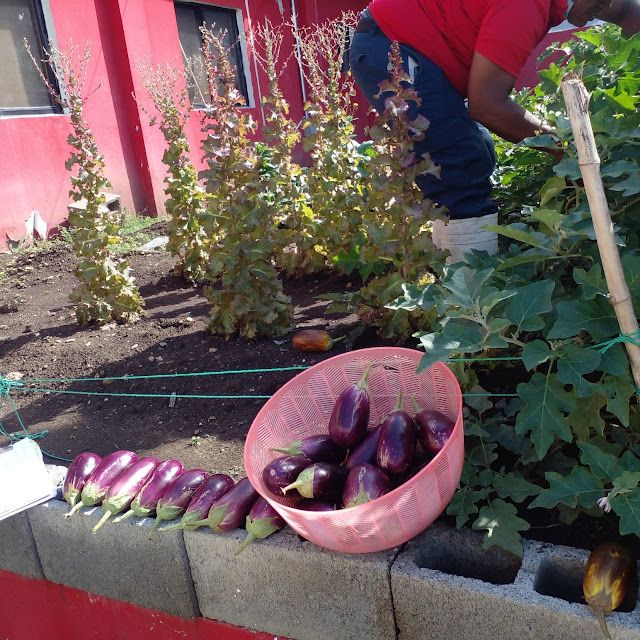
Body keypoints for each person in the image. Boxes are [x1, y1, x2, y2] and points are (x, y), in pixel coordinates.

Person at [349, 0, 640, 262]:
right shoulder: (525, 6)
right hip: (390, 48)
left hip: (400, 44)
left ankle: (449, 282)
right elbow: (488, 106)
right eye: (600, 4)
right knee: (458, 160)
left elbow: (626, 10)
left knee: (479, 147)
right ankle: (467, 299)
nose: (601, 12)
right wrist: (572, 152)